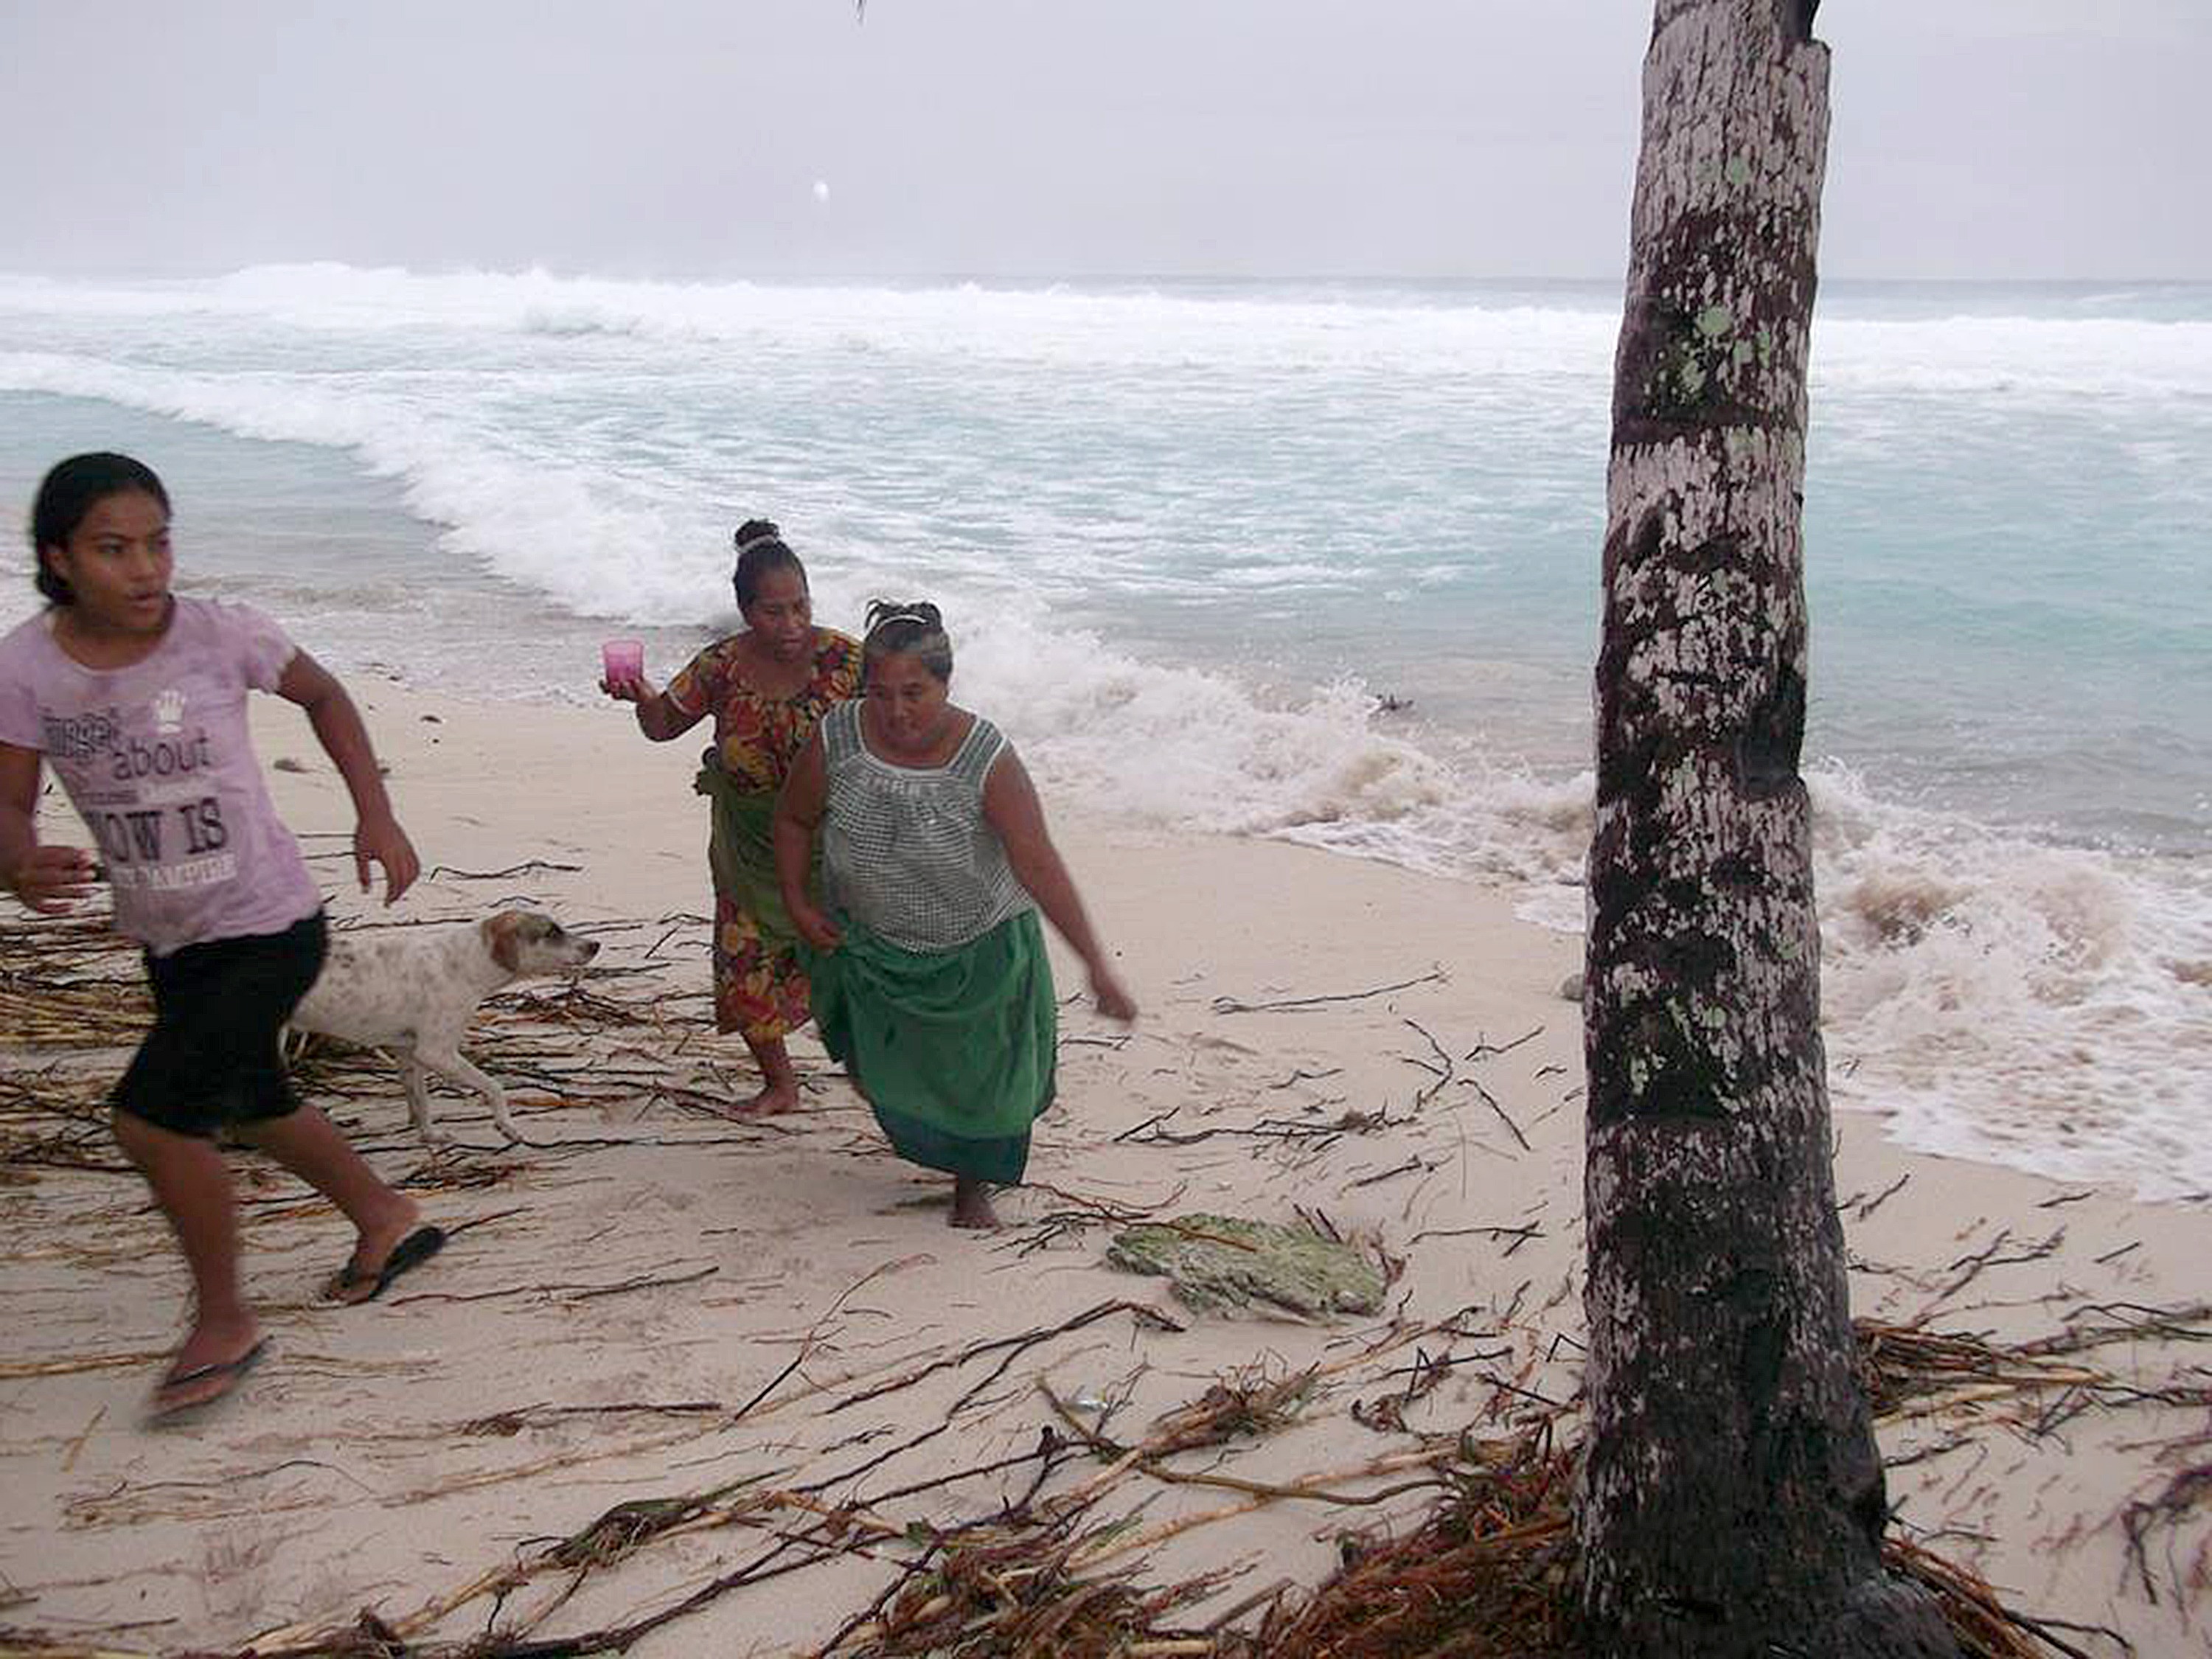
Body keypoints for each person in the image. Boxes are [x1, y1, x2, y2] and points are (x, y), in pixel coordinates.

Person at [0, 452, 441, 1420]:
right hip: (170, 934)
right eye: (114, 549)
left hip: (270, 920)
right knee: (249, 1095)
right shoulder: (26, 668)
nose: (146, 568)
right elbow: (10, 807)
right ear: (59, 558)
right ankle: (383, 1215)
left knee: (152, 1117)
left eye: (158, 543)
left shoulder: (221, 634)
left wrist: (376, 812)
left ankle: (224, 1318)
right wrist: (19, 861)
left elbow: (325, 695)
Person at [773, 600, 1137, 1229]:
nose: (896, 711)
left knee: (987, 1087)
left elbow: (1038, 861)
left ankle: (973, 1188)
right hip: (872, 941)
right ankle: (929, 1139)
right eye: (880, 693)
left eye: (915, 692)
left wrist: (1096, 963)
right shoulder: (839, 737)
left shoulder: (984, 756)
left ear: (947, 683)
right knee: (879, 1068)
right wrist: (799, 902)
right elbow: (794, 818)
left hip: (978, 943)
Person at [602, 519, 862, 1116]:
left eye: (801, 607)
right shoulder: (721, 666)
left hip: (835, 844)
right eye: (774, 612)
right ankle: (780, 1084)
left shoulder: (847, 662)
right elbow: (664, 726)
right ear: (746, 611)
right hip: (748, 846)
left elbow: (906, 717)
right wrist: (641, 698)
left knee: (851, 965)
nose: (792, 624)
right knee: (744, 962)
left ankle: (883, 1077)